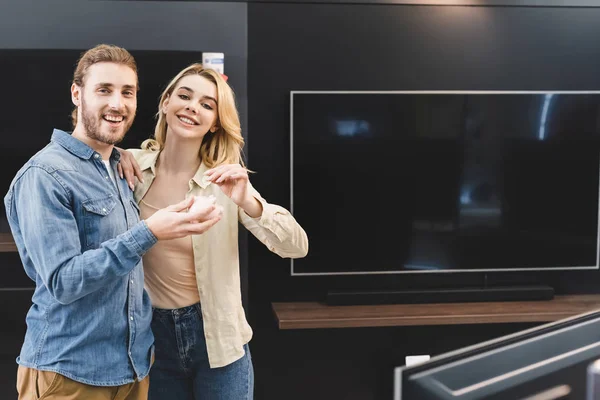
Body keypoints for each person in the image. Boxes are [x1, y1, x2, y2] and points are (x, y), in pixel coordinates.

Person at [4, 44, 222, 400]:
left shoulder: (118, 167)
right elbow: (63, 281)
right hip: (70, 373)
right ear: (77, 94)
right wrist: (148, 232)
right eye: (104, 90)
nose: (117, 104)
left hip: (132, 371)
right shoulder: (45, 175)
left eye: (128, 93)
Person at [116, 63, 309, 399]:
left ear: (216, 122)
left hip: (218, 341)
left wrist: (249, 201)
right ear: (165, 102)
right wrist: (112, 152)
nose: (193, 107)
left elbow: (297, 246)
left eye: (207, 104)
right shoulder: (130, 168)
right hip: (152, 340)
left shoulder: (225, 181)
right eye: (184, 96)